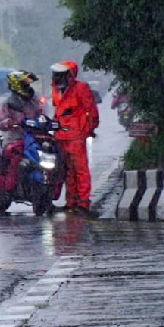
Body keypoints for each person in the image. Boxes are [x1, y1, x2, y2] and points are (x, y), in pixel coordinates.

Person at [0, 70, 43, 210]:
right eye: (25, 84)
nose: (28, 87)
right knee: (10, 158)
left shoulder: (35, 99)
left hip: (35, 137)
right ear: (16, 85)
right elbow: (1, 121)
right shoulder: (9, 103)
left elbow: (42, 115)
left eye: (28, 84)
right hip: (14, 137)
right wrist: (9, 123)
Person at [50, 61, 99, 214]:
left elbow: (91, 110)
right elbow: (59, 110)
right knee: (67, 170)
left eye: (60, 74)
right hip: (61, 136)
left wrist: (89, 129)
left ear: (69, 75)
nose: (56, 77)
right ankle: (71, 201)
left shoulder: (80, 88)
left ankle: (83, 202)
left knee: (80, 170)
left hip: (76, 136)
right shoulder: (57, 90)